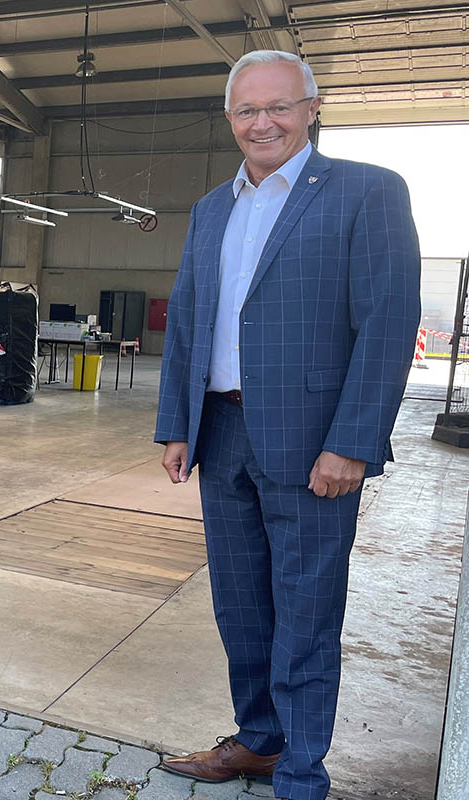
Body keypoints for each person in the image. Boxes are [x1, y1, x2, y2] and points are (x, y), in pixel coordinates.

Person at [154, 51, 420, 800]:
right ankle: (260, 741)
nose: (261, 121)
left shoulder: (366, 192)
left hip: (313, 443)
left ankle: (302, 772)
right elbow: (189, 325)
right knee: (240, 603)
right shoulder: (213, 208)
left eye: (278, 106)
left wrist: (352, 443)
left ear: (311, 108)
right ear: (230, 118)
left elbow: (388, 323)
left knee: (305, 609)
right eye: (246, 110)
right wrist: (178, 423)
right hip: (222, 432)